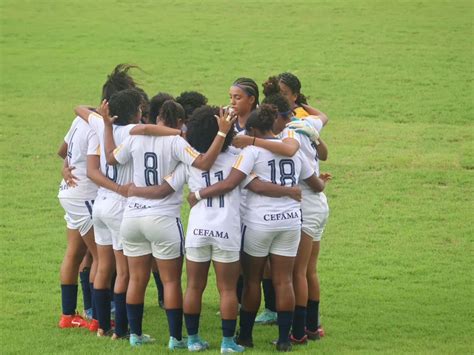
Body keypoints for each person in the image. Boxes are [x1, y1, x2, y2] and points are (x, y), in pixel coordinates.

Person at [187, 105, 328, 352]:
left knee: (252, 280)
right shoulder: (294, 152)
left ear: (252, 129)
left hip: (259, 223)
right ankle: (285, 339)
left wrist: (198, 194)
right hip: (291, 221)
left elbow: (235, 182)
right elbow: (316, 185)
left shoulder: (251, 152)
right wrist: (296, 189)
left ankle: (245, 337)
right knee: (284, 280)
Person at [103, 100, 235, 349]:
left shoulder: (134, 138)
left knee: (136, 279)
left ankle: (135, 336)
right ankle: (176, 339)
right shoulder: (176, 142)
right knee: (171, 282)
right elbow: (204, 163)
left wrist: (107, 127)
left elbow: (110, 159)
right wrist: (221, 132)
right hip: (162, 219)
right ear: (178, 122)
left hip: (132, 218)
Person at [74, 88, 144, 338]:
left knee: (103, 265)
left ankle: (101, 326)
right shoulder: (132, 132)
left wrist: (102, 116)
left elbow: (78, 108)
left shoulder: (101, 125)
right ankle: (121, 331)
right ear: (137, 112)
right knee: (124, 271)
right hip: (120, 207)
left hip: (100, 204)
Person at [57, 113, 99, 329]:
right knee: (102, 257)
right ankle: (99, 320)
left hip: (69, 191)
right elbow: (95, 170)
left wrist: (66, 167)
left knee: (74, 254)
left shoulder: (79, 120)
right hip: (84, 196)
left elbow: (62, 151)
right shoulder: (97, 127)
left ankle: (68, 316)